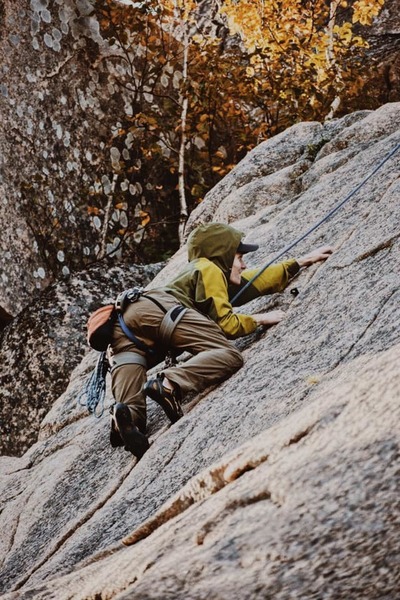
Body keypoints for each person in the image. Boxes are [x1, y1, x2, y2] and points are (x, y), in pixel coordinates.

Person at [109, 222, 332, 459]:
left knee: (129, 410)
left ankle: (125, 423)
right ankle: (168, 384)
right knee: (227, 355)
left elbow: (253, 280)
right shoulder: (209, 268)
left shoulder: (198, 273)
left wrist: (298, 263)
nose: (243, 263)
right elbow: (227, 325)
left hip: (123, 327)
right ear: (222, 255)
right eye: (239, 257)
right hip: (161, 312)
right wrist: (259, 318)